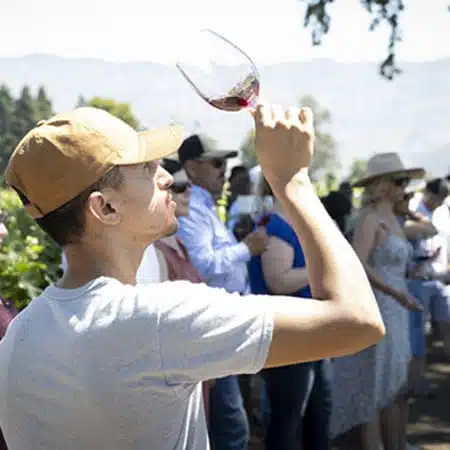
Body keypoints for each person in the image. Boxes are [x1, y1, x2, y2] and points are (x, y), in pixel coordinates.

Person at [0, 105, 384, 450]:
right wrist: (293, 182)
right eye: (147, 169)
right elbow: (358, 322)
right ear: (105, 206)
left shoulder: (19, 336)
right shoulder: (160, 318)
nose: (167, 177)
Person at [176, 134, 269, 450]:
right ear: (191, 168)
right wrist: (247, 248)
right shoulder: (192, 210)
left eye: (225, 163)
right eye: (216, 163)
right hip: (212, 326)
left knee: (230, 426)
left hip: (223, 323)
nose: (224, 170)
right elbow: (204, 265)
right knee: (231, 429)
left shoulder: (204, 207)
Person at [331, 152, 423, 450]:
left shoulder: (393, 219)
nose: (403, 188)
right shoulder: (369, 219)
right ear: (383, 186)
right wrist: (396, 294)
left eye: (405, 182)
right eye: (399, 181)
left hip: (398, 307)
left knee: (394, 387)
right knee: (374, 387)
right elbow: (357, 264)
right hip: (381, 305)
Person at [248, 176, 332, 450]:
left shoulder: (290, 226)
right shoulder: (276, 228)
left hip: (307, 333)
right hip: (290, 334)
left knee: (315, 415)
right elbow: (278, 281)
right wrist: (320, 270)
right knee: (289, 420)